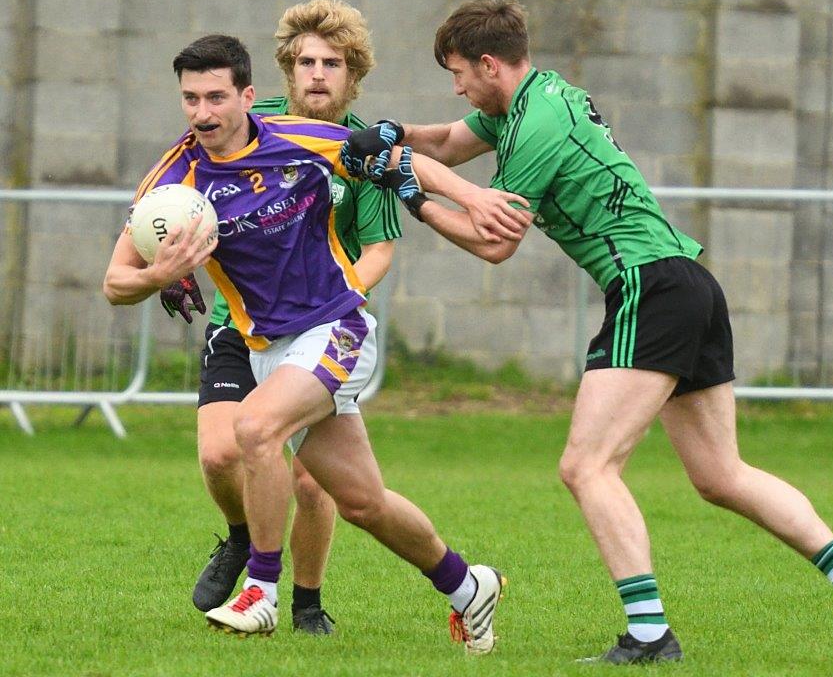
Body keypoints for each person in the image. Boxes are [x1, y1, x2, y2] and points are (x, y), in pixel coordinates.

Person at [341, 0, 833, 664]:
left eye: (459, 73)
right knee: (721, 474)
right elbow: (448, 141)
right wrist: (387, 133)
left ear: (489, 65)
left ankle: (649, 635)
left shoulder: (534, 128)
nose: (456, 87)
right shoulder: (538, 97)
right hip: (688, 282)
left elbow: (495, 243)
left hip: (648, 287)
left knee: (587, 466)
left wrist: (411, 194)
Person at [102, 34, 524, 653]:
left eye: (216, 96)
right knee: (363, 503)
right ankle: (469, 586)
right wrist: (157, 275)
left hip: (336, 327)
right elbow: (115, 283)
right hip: (265, 346)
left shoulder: (301, 140)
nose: (202, 113)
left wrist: (472, 195)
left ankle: (263, 591)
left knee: (255, 431)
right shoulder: (174, 182)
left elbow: (400, 159)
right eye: (190, 99)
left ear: (249, 97)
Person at [158, 0, 400, 636]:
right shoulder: (244, 119)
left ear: (353, 75)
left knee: (316, 483)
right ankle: (242, 539)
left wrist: (340, 296)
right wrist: (171, 263)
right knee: (219, 455)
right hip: (237, 324)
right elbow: (182, 196)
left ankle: (305, 603)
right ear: (284, 74)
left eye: (333, 63)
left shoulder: (360, 149)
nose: (317, 74)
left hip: (319, 324)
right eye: (305, 62)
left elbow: (378, 249)